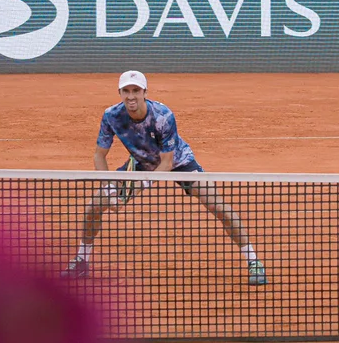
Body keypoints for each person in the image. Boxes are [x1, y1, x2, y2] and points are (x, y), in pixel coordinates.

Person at [62, 70, 267, 285]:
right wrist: (110, 189)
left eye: (136, 91)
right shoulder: (111, 116)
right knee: (94, 206)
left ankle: (253, 260)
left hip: (180, 163)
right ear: (120, 93)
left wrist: (141, 183)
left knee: (216, 205)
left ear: (145, 92)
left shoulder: (162, 116)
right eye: (126, 91)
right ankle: (82, 260)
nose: (131, 96)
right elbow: (99, 155)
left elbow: (167, 163)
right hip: (141, 164)